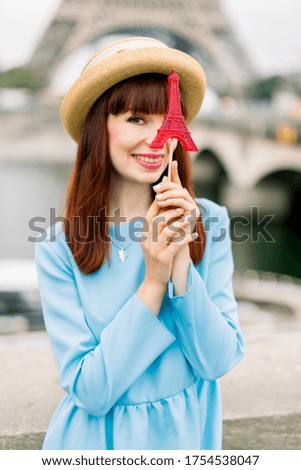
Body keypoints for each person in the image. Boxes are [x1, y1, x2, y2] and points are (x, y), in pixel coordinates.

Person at [35, 36, 245, 450]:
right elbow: (90, 390)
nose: (156, 138)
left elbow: (216, 361)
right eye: (135, 119)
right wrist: (153, 281)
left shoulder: (210, 223)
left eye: (167, 121)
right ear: (100, 127)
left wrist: (181, 261)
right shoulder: (59, 247)